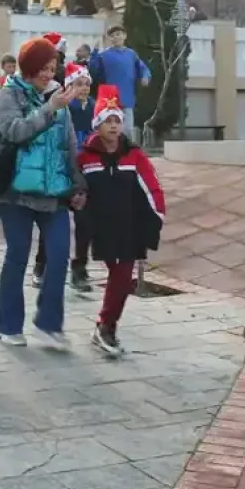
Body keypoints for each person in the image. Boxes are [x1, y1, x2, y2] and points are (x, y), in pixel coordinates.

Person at [0, 37, 87, 349]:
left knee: (59, 256)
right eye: (44, 68)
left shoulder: (59, 97)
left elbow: (68, 145)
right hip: (15, 193)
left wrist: (78, 184)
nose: (49, 74)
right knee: (17, 256)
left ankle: (48, 323)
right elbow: (14, 131)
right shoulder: (9, 93)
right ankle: (6, 325)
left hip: (54, 192)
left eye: (53, 68)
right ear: (30, 67)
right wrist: (49, 109)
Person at [78, 85, 165, 356]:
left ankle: (106, 327)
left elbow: (152, 187)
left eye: (117, 120)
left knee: (124, 279)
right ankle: (105, 327)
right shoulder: (85, 157)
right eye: (108, 121)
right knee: (119, 276)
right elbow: (76, 190)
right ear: (97, 125)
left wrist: (157, 216)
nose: (114, 126)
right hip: (100, 228)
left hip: (128, 228)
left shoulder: (134, 155)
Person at [33, 62, 94, 291]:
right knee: (51, 219)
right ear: (69, 86)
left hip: (84, 173)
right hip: (61, 169)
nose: (84, 88)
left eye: (87, 84)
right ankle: (42, 265)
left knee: (85, 224)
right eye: (79, 84)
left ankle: (79, 269)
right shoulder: (62, 107)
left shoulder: (95, 107)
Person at [87, 26, 150, 141]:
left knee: (127, 131)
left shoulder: (131, 54)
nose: (116, 37)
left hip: (127, 99)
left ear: (124, 36)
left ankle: (126, 155)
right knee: (111, 131)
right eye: (112, 35)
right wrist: (94, 53)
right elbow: (93, 71)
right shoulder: (104, 55)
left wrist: (145, 77)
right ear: (110, 39)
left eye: (118, 34)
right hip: (110, 100)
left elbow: (143, 68)